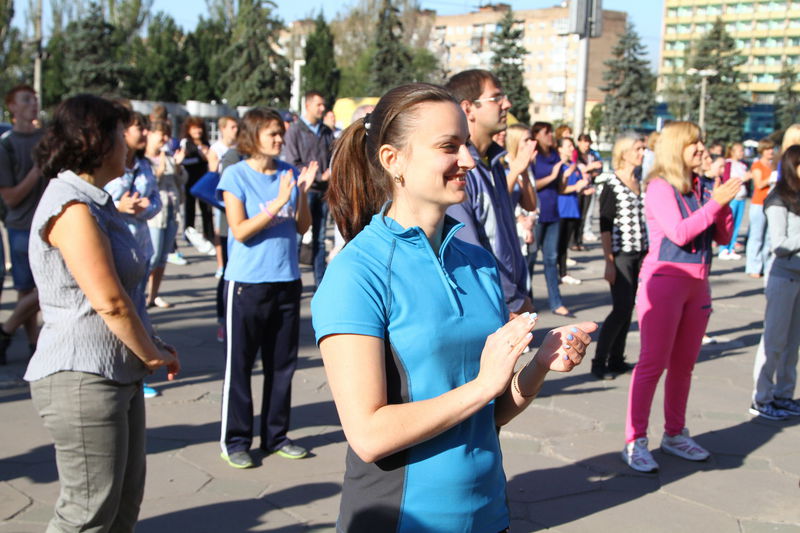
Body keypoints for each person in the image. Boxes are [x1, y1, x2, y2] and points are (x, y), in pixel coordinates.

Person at [313, 82, 596, 532]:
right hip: (401, 520)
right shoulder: (356, 273)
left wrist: (539, 364)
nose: (467, 159)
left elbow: (490, 411)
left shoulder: (476, 262)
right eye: (449, 147)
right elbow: (369, 435)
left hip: (489, 514)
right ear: (393, 160)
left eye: (466, 144)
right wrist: (483, 386)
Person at [26, 94, 179, 533]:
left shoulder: (93, 201)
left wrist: (153, 346)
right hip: (82, 376)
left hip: (116, 372)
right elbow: (109, 301)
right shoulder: (71, 207)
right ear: (95, 140)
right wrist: (151, 355)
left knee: (121, 508)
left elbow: (126, 294)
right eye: (119, 133)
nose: (129, 142)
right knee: (86, 514)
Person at [622, 122, 739, 473]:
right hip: (665, 282)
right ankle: (634, 440)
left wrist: (722, 200)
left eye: (703, 141)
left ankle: (674, 434)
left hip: (698, 284)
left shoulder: (702, 187)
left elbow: (722, 235)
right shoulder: (659, 186)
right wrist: (715, 203)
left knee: (684, 366)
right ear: (678, 147)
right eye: (695, 143)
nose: (702, 148)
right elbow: (679, 231)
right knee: (652, 363)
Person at [216, 107, 316, 469]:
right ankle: (236, 440)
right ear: (253, 135)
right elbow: (239, 230)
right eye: (272, 133)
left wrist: (300, 193)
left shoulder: (288, 172)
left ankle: (276, 435)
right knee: (240, 366)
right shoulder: (235, 175)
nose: (279, 139)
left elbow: (303, 226)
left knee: (282, 366)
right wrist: (277, 203)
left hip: (286, 281)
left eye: (280, 133)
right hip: (246, 285)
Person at [445, 69, 536, 318]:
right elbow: (468, 251)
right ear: (468, 109)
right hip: (487, 306)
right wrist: (513, 301)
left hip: (507, 300)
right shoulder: (460, 169)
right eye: (496, 98)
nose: (507, 103)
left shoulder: (493, 163)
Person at [749, 145, 800, 420]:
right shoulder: (779, 197)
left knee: (794, 344)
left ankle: (784, 395)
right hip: (783, 275)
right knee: (774, 341)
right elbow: (779, 244)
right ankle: (761, 398)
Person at [591, 133, 648, 380]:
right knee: (621, 308)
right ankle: (599, 361)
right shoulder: (611, 183)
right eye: (638, 148)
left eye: (643, 148)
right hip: (621, 254)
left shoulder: (640, 181)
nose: (642, 153)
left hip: (641, 253)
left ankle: (617, 359)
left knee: (628, 309)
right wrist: (609, 261)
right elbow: (605, 225)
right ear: (624, 152)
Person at [0, 84, 46, 364]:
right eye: (26, 100)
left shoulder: (47, 140)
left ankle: (6, 330)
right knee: (27, 289)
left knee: (47, 288)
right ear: (12, 108)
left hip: (51, 227)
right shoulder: (6, 146)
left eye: (35, 100)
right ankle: (33, 345)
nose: (33, 104)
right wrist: (37, 170)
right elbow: (11, 197)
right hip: (21, 228)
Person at [281, 91, 335, 288]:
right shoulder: (295, 130)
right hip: (304, 192)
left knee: (319, 240)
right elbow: (292, 162)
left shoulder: (326, 132)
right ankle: (291, 280)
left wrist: (329, 172)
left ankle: (319, 284)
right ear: (308, 105)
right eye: (319, 105)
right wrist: (317, 176)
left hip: (323, 192)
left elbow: (333, 156)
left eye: (323, 105)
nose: (322, 109)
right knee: (296, 236)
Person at [531, 121, 572, 316]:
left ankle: (556, 302)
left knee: (551, 259)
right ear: (536, 135)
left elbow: (561, 188)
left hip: (554, 213)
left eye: (549, 132)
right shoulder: (534, 156)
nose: (550, 135)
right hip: (536, 214)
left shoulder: (555, 154)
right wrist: (554, 174)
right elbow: (532, 186)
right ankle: (527, 303)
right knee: (529, 260)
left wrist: (565, 176)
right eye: (545, 132)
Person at [144, 120, 186, 308]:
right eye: (162, 134)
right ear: (151, 134)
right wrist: (159, 172)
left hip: (171, 210)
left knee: (162, 258)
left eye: (167, 135)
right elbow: (146, 186)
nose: (165, 139)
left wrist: (178, 166)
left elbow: (182, 180)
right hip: (153, 215)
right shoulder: (143, 159)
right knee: (151, 258)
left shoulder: (169, 156)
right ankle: (139, 294)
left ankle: (153, 295)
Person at [208, 115, 239, 279]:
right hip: (221, 195)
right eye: (232, 127)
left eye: (236, 127)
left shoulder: (240, 148)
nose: (236, 130)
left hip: (235, 195)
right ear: (223, 129)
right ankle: (221, 264)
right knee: (221, 231)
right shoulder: (216, 148)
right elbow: (213, 172)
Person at [556, 137, 589, 286]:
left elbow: (577, 186)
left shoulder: (573, 166)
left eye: (572, 146)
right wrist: (576, 187)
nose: (571, 149)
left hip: (573, 208)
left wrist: (584, 189)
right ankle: (557, 273)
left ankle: (563, 273)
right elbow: (560, 189)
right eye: (568, 146)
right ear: (560, 149)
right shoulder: (559, 167)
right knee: (556, 246)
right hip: (561, 209)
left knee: (563, 245)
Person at [181, 116, 214, 250]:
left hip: (204, 181)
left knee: (206, 209)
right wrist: (201, 158)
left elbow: (210, 159)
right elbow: (184, 161)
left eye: (199, 128)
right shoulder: (186, 143)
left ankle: (209, 235)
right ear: (189, 129)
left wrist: (205, 157)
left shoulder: (207, 143)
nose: (198, 131)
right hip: (190, 180)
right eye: (194, 128)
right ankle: (189, 235)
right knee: (190, 209)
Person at [745, 138, 775, 278]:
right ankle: (754, 267)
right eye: (768, 149)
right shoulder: (757, 165)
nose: (771, 151)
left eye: (772, 149)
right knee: (756, 236)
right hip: (759, 203)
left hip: (772, 203)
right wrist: (772, 178)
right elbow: (759, 184)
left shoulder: (773, 165)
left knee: (769, 237)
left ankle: (766, 265)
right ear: (762, 150)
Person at [718, 142, 751, 260]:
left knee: (737, 224)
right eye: (739, 150)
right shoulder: (728, 164)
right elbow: (727, 180)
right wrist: (743, 179)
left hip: (742, 198)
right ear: (732, 151)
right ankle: (724, 248)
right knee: (728, 224)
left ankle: (731, 248)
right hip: (733, 198)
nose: (742, 152)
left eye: (742, 150)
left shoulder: (742, 165)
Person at [575, 133, 603, 245]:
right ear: (579, 142)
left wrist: (594, 171)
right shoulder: (575, 154)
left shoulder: (593, 154)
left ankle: (581, 238)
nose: (586, 144)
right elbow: (574, 169)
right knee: (577, 215)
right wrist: (589, 168)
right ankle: (574, 241)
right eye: (584, 141)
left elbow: (599, 168)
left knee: (587, 213)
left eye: (588, 142)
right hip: (577, 188)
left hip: (590, 186)